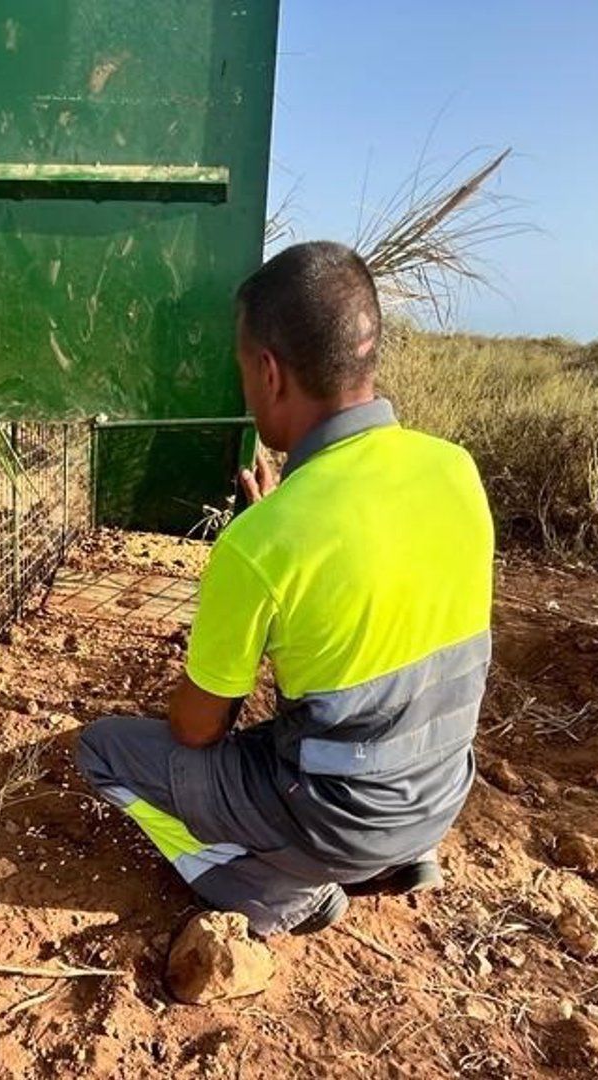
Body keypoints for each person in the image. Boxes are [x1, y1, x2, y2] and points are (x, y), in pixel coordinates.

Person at [74, 241, 496, 937]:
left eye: (243, 369)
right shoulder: (455, 471)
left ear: (268, 372)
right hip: (439, 797)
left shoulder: (262, 543)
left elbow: (198, 729)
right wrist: (280, 513)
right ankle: (402, 857)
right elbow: (369, 559)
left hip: (341, 823)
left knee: (102, 750)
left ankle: (275, 891)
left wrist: (264, 535)